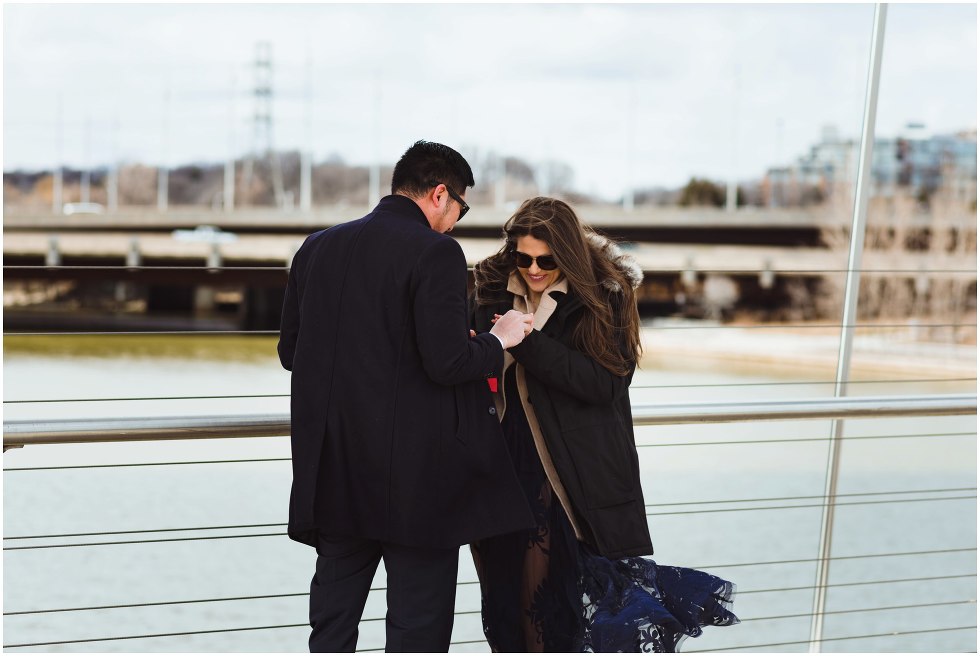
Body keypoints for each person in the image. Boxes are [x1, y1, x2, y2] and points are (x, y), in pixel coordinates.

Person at [278, 140, 536, 653]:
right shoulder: (436, 252)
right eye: (460, 207)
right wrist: (499, 338)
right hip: (416, 486)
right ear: (441, 193)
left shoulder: (317, 247)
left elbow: (292, 353)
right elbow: (448, 363)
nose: (457, 220)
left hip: (335, 474)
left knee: (331, 628)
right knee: (417, 632)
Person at [470, 196, 739, 652]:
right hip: (499, 465)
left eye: (547, 260)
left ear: (569, 254)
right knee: (501, 604)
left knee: (548, 605)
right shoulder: (487, 288)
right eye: (524, 257)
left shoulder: (603, 296)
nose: (533, 269)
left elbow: (606, 382)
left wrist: (529, 343)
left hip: (566, 473)